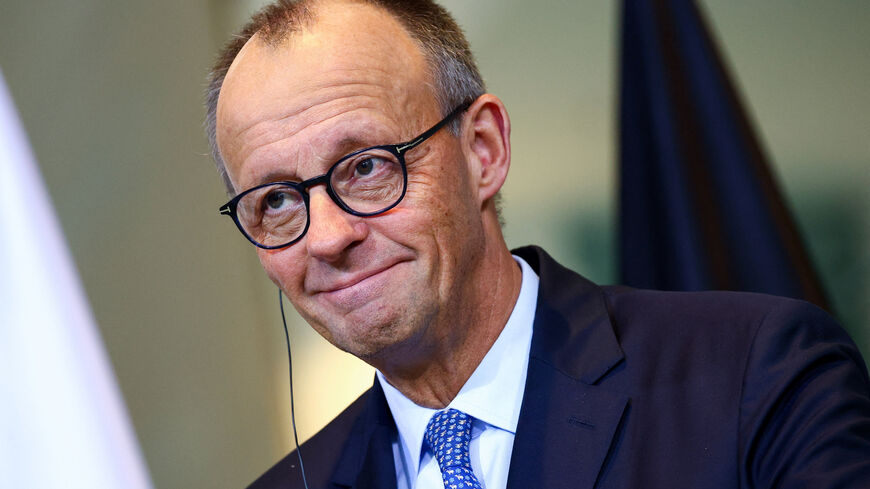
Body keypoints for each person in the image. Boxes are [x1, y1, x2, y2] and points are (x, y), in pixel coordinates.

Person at [206, 1, 870, 488]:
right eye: (276, 201)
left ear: (483, 151)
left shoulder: (755, 377)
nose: (326, 236)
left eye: (368, 165)